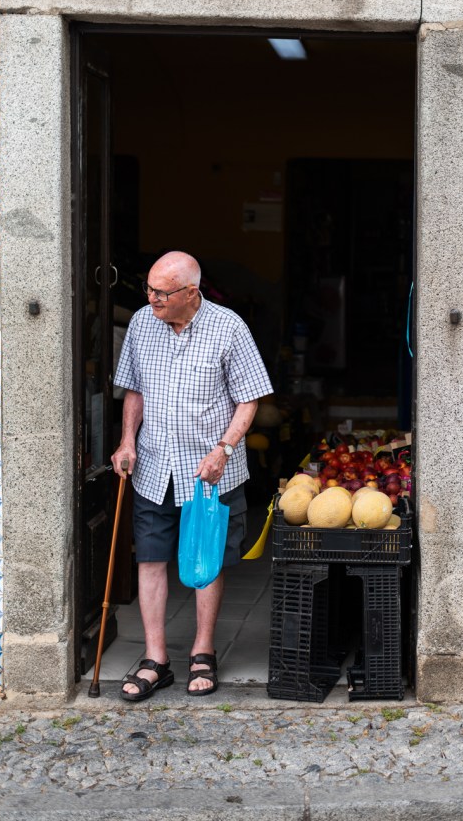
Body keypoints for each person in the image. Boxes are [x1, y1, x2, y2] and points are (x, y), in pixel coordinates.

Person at [111, 251, 273, 701]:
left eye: (161, 293)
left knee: (208, 561)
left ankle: (203, 650)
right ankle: (155, 659)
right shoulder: (143, 324)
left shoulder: (229, 328)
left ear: (190, 293)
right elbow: (134, 389)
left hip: (209, 471)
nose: (152, 299)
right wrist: (128, 441)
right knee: (150, 557)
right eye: (149, 289)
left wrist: (224, 447)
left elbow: (249, 400)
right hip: (154, 465)